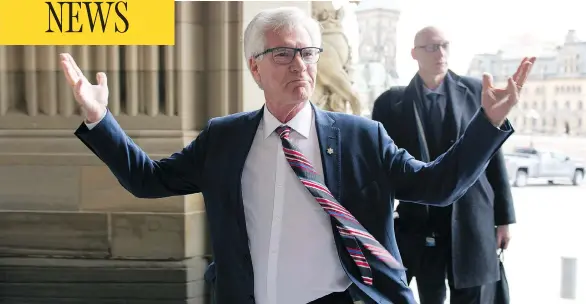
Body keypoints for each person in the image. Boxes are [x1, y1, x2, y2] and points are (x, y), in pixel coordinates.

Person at [60, 8, 532, 304]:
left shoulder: (361, 136)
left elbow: (437, 185)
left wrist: (487, 125)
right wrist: (102, 120)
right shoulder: (225, 139)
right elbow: (147, 179)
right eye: (283, 54)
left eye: (307, 53)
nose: (301, 66)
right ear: (255, 67)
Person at [371, 26, 535, 304]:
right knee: (429, 293)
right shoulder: (390, 103)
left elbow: (494, 158)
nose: (441, 53)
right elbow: (379, 169)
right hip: (421, 223)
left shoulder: (476, 91)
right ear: (414, 53)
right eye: (431, 47)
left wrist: (504, 219)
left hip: (473, 217)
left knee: (473, 294)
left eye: (445, 45)